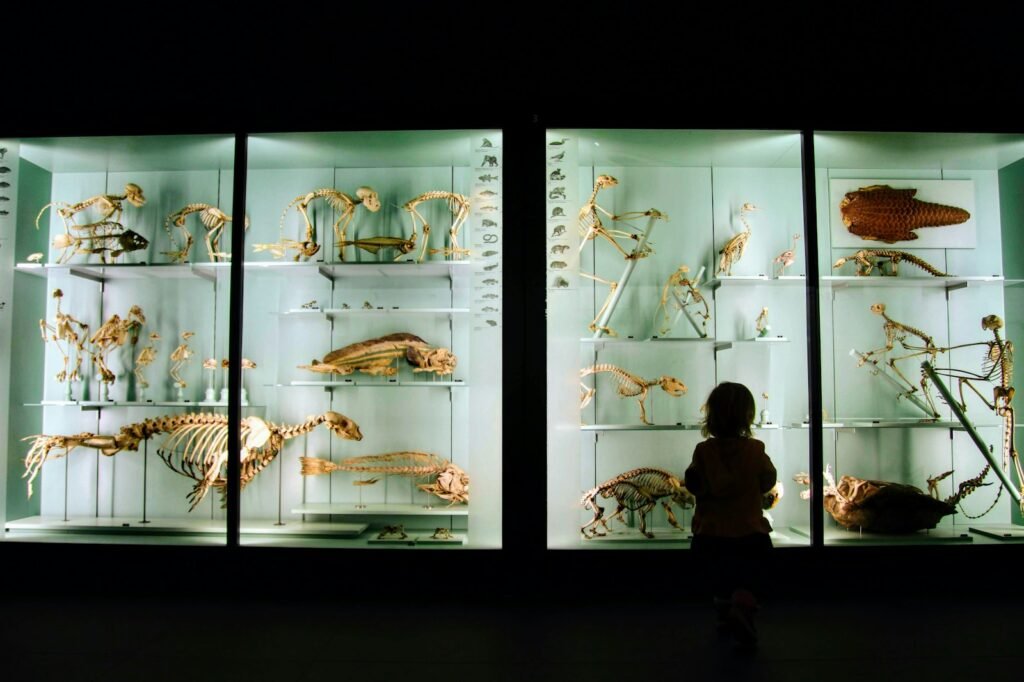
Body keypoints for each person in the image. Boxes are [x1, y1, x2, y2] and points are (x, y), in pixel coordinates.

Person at [684, 381, 777, 650]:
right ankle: (741, 610)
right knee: (752, 579)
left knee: (720, 579)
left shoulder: (703, 451)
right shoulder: (755, 449)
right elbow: (768, 480)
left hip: (711, 533)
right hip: (749, 533)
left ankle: (727, 616)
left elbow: (693, 482)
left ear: (710, 415)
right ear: (748, 416)